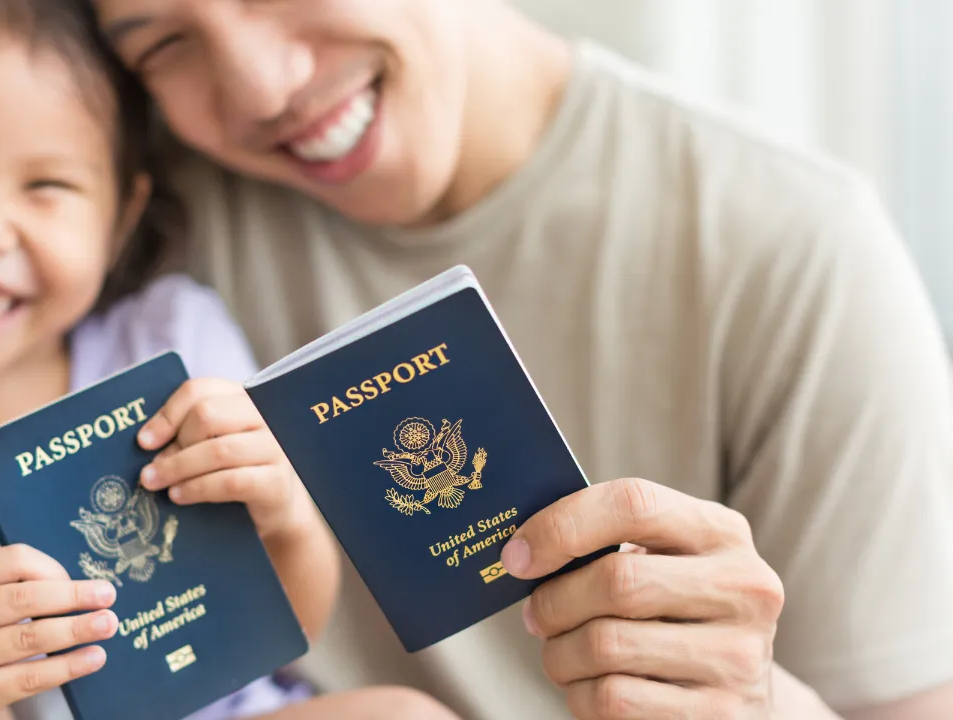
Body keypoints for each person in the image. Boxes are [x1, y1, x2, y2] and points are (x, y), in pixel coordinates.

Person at [89, 0, 953, 718]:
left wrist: (759, 700)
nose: (262, 88)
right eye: (163, 43)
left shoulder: (796, 247)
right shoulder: (120, 220)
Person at [0, 1, 460, 719]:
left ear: (119, 219)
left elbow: (285, 633)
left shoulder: (173, 336)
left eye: (48, 186)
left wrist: (287, 516)